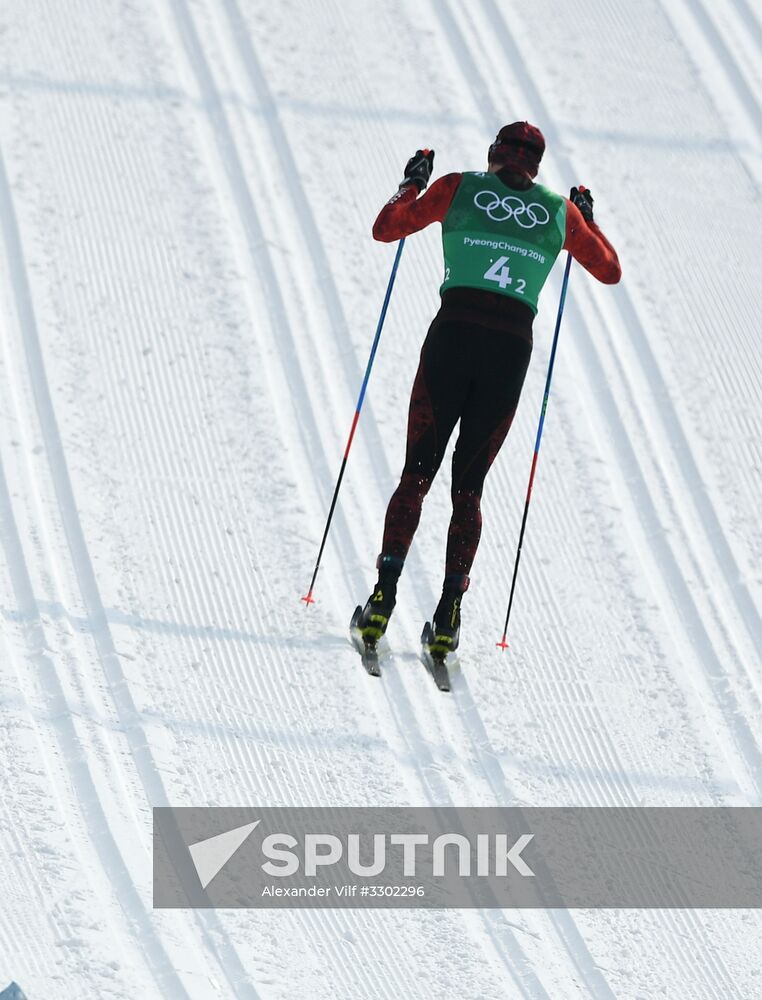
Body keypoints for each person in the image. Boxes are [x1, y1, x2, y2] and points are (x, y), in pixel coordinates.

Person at [355, 122, 621, 656]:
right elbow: (609, 271)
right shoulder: (558, 213)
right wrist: (589, 221)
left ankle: (382, 599)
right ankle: (450, 614)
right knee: (468, 489)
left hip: (452, 337)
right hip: (509, 353)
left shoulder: (457, 187)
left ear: (494, 153)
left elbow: (386, 229)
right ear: (538, 167)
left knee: (417, 476)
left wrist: (411, 184)